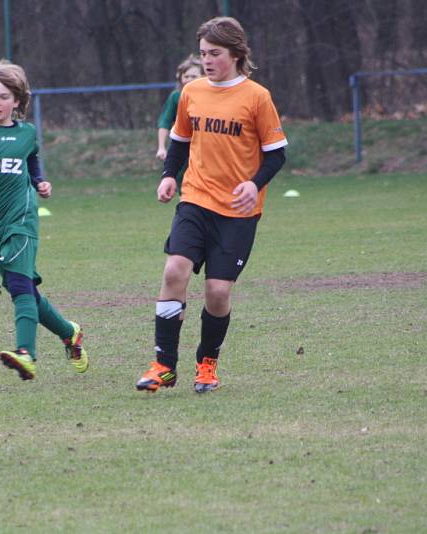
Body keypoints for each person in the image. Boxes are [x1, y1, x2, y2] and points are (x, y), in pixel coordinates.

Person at [136, 17, 287, 394]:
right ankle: (163, 365)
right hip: (196, 200)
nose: (207, 61)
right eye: (203, 53)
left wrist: (254, 185)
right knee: (174, 271)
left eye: (215, 54)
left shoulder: (257, 97)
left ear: (236, 55)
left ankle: (206, 364)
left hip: (237, 212)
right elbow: (180, 141)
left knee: (218, 292)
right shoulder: (193, 93)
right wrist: (170, 175)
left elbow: (276, 154)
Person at [0, 60, 88, 381]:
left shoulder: (26, 133)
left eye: (3, 97)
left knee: (21, 285)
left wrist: (40, 182)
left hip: (22, 221)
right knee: (21, 289)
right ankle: (69, 333)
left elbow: (32, 158)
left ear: (17, 101)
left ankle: (26, 354)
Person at [155, 54, 202, 192]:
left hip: (204, 148)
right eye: (186, 76)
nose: (189, 80)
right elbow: (165, 122)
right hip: (184, 148)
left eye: (193, 76)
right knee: (184, 182)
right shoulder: (177, 97)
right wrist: (161, 147)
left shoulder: (212, 96)